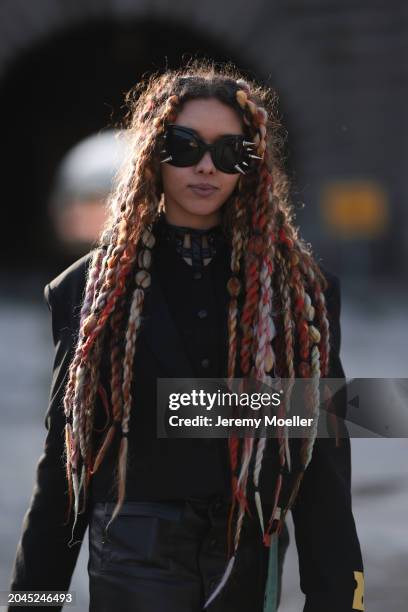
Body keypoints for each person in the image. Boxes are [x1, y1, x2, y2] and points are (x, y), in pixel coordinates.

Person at [8, 61, 364, 612]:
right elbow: (65, 464)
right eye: (185, 146)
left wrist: (337, 597)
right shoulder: (88, 289)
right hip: (133, 559)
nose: (206, 167)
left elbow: (320, 460)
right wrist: (35, 602)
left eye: (230, 153)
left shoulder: (302, 293)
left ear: (253, 166)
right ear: (154, 151)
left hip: (249, 559)